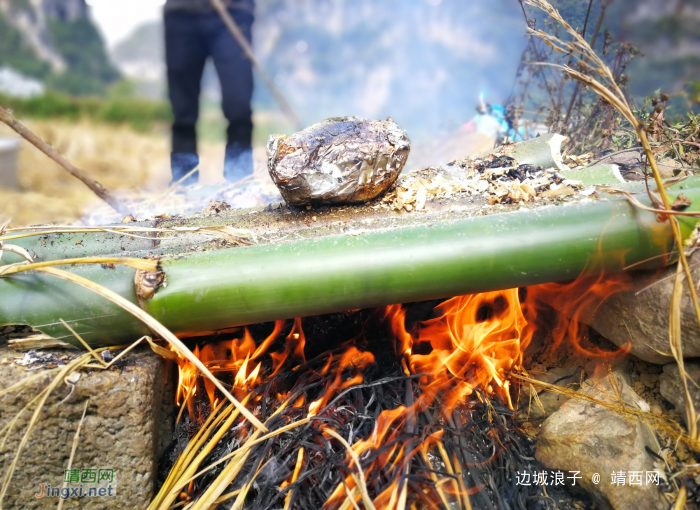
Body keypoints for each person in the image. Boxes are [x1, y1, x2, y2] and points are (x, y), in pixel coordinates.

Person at [164, 0, 255, 186]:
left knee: (239, 106)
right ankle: (183, 182)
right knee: (183, 111)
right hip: (181, 13)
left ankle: (240, 180)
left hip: (233, 11)